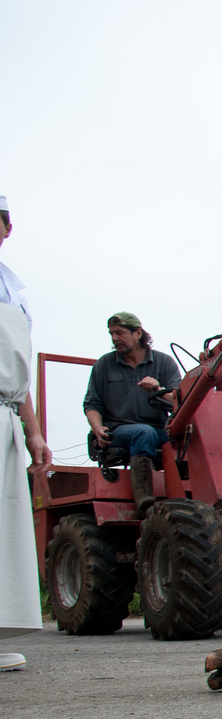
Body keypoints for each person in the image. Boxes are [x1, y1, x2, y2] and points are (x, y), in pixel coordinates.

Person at [1, 196, 52, 671]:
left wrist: (33, 433)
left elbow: (18, 380)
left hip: (3, 415)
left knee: (2, 525)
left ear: (6, 227)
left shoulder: (14, 293)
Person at [83, 312, 181, 513]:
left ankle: (191, 493)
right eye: (112, 334)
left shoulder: (164, 362)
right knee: (143, 432)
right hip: (119, 430)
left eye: (120, 333)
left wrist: (158, 389)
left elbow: (178, 401)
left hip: (160, 430)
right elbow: (92, 404)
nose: (115, 338)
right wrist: (97, 427)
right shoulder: (104, 364)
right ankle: (144, 498)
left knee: (189, 436)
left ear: (138, 333)